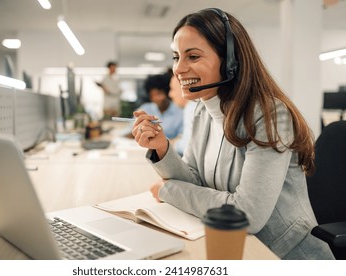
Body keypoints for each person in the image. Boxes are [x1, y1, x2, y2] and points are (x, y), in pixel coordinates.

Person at [130, 8, 334, 260]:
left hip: (284, 256)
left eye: (192, 56)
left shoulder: (269, 115)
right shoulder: (201, 111)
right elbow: (194, 181)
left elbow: (246, 215)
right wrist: (162, 149)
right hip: (235, 247)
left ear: (230, 61)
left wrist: (166, 190)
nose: (178, 69)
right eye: (176, 57)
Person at [124, 73, 183, 139]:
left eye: (159, 94)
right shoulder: (145, 109)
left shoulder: (180, 113)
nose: (155, 98)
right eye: (152, 95)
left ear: (167, 93)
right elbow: (128, 132)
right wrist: (137, 130)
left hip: (169, 148)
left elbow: (182, 139)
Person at [168, 74, 196, 156]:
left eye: (172, 89)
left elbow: (187, 146)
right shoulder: (192, 106)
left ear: (184, 88)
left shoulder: (191, 107)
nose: (170, 94)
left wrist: (169, 144)